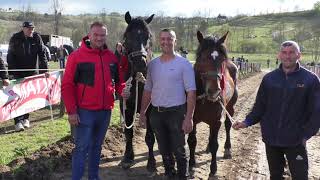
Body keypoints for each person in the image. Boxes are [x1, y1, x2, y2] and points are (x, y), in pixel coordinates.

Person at [232, 40, 320, 180]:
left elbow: (317, 112)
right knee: (275, 176)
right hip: (271, 139)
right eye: (284, 53)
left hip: (295, 141)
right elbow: (260, 107)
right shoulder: (269, 79)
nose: (287, 56)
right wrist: (246, 122)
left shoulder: (310, 79)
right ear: (279, 55)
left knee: (300, 176)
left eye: (291, 52)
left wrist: (305, 136)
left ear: (299, 55)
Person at [61, 21, 129, 180]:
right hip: (84, 112)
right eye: (96, 35)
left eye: (102, 35)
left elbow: (119, 81)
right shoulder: (76, 56)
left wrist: (122, 90)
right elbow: (67, 85)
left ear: (106, 36)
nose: (99, 38)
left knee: (96, 147)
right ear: (89, 35)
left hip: (105, 112)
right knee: (81, 148)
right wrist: (71, 111)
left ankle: (94, 177)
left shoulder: (111, 57)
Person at [139, 28, 196, 179]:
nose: (166, 42)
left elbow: (191, 92)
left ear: (175, 41)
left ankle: (182, 176)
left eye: (169, 39)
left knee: (179, 149)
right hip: (157, 114)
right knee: (163, 149)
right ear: (159, 41)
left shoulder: (184, 64)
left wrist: (189, 117)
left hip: (177, 113)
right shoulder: (153, 65)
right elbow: (147, 90)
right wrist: (143, 113)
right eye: (163, 39)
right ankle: (170, 173)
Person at [7, 21, 48, 132]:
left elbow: (42, 53)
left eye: (33, 28)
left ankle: (26, 119)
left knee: (28, 96)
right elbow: (10, 55)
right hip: (18, 72)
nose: (31, 31)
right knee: (17, 97)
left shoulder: (36, 37)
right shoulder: (15, 38)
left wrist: (44, 70)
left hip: (31, 71)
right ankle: (17, 121)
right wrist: (11, 73)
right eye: (29, 29)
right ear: (23, 28)